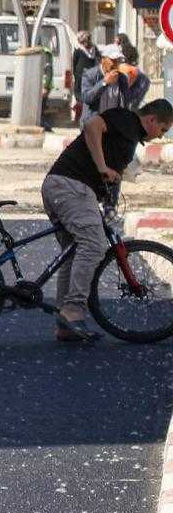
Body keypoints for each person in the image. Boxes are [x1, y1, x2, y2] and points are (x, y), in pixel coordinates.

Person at [45, 96, 173, 343]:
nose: (160, 136)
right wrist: (102, 166)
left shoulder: (130, 134)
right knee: (93, 245)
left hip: (63, 186)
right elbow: (92, 125)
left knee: (73, 253)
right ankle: (72, 312)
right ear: (151, 119)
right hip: (70, 186)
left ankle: (65, 324)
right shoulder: (126, 119)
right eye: (162, 129)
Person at [85, 42, 151, 116]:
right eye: (113, 60)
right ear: (103, 59)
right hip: (95, 124)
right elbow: (87, 99)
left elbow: (127, 100)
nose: (116, 64)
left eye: (118, 60)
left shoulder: (122, 78)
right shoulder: (90, 75)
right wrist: (104, 82)